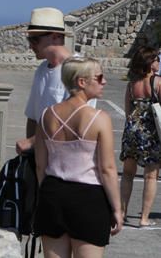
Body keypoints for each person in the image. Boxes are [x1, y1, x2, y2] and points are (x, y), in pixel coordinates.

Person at [33, 57, 122, 255]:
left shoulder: (46, 115)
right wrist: (117, 208)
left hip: (52, 193)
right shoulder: (100, 118)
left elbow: (40, 164)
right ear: (81, 82)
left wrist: (47, 193)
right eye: (99, 77)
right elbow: (107, 169)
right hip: (88, 198)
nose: (104, 81)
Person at [15, 7, 95, 154]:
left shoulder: (79, 70)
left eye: (34, 39)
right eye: (29, 39)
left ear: (55, 36)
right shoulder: (41, 70)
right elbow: (33, 118)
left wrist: (31, 142)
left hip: (68, 158)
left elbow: (76, 124)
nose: (30, 45)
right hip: (42, 159)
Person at [119, 46, 161, 227]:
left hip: (132, 130)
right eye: (156, 59)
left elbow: (128, 111)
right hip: (150, 133)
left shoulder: (131, 84)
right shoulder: (157, 82)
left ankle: (122, 213)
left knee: (128, 174)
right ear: (149, 63)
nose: (159, 62)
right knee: (150, 176)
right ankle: (144, 218)